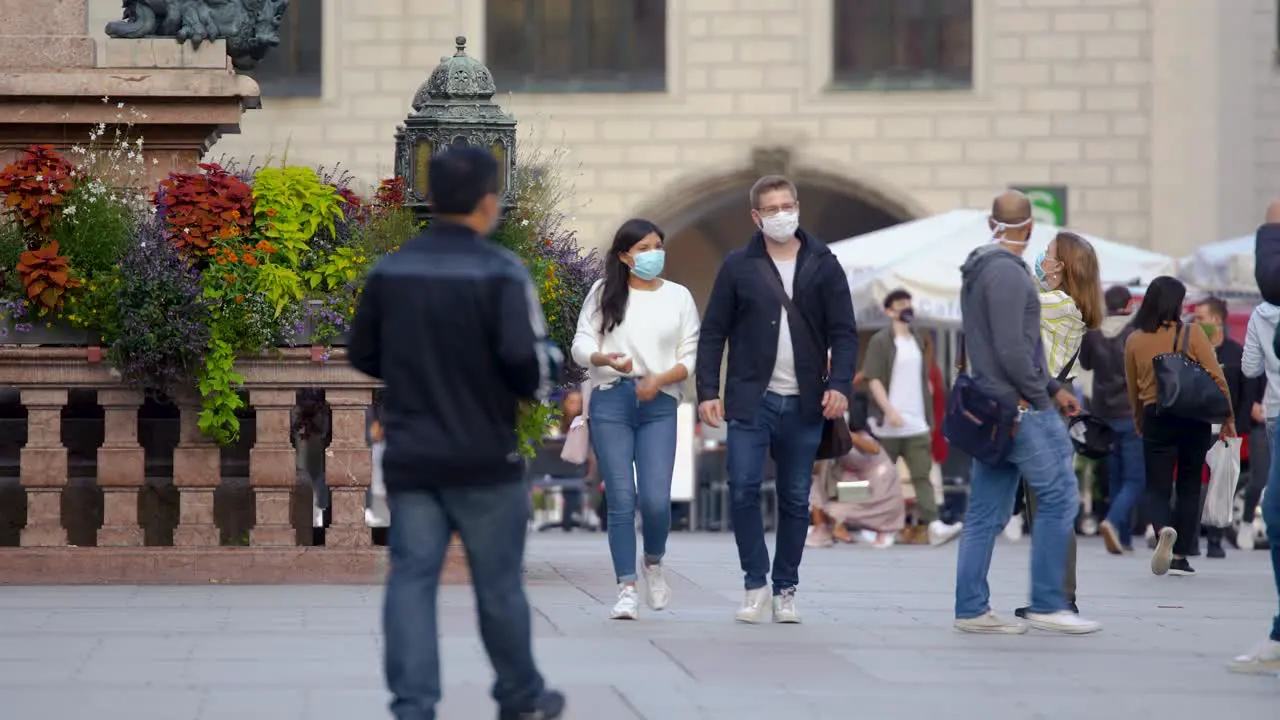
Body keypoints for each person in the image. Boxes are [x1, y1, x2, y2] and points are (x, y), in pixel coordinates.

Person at [347, 147, 566, 720]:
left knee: (411, 581)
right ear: (489, 202)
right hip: (485, 457)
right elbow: (528, 366)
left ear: (431, 199)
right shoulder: (502, 273)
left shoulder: (389, 272)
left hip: (413, 456)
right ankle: (520, 696)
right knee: (498, 586)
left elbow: (362, 352)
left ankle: (413, 705)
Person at [695, 174, 857, 624]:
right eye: (772, 209)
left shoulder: (824, 262)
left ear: (798, 207)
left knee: (793, 497)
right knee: (743, 487)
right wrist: (708, 390)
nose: (782, 214)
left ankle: (786, 587)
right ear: (756, 216)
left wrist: (840, 385)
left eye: (788, 206)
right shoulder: (737, 265)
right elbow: (713, 332)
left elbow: (844, 333)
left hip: (805, 401)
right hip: (751, 398)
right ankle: (754, 584)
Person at [952, 191, 1101, 635]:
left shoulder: (977, 271)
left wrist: (1053, 386)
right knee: (1059, 497)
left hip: (994, 401)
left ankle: (972, 609)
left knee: (984, 513)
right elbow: (1015, 350)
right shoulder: (1010, 276)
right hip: (1020, 406)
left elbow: (1003, 344)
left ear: (990, 223)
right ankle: (1049, 601)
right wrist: (1044, 395)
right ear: (1030, 228)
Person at [570, 218, 700, 621]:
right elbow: (581, 343)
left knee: (656, 500)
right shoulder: (603, 293)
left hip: (659, 401)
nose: (652, 254)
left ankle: (654, 562)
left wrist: (660, 378)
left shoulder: (679, 297)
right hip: (612, 400)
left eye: (657, 245)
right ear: (625, 256)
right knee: (622, 499)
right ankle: (626, 586)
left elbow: (690, 356)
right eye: (643, 248)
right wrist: (601, 357)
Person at [1012, 231, 1102, 619]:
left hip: (1043, 400)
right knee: (1045, 503)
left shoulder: (1059, 304)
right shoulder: (1063, 302)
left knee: (1049, 504)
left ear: (1061, 265)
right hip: (1049, 398)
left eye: (1047, 254)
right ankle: (1053, 593)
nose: (1040, 259)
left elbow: (1016, 303)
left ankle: (1059, 596)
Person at [1123, 276, 1233, 579]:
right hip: (1193, 418)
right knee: (1188, 485)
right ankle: (1181, 556)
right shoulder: (1193, 333)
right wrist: (1228, 418)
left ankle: (1162, 532)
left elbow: (1132, 387)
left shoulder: (1134, 339)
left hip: (1155, 415)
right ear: (1176, 302)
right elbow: (1216, 377)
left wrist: (1138, 419)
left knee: (1157, 485)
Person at [861, 288, 961, 546]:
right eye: (900, 303)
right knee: (882, 477)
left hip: (916, 422)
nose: (906, 307)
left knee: (922, 476)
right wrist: (889, 411)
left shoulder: (918, 338)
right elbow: (872, 379)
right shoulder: (881, 341)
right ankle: (875, 525)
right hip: (888, 425)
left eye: (907, 302)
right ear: (888, 310)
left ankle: (934, 524)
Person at [1229, 204, 1280, 674]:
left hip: (1274, 414)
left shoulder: (1262, 314)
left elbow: (1248, 370)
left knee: (1276, 508)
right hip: (1276, 416)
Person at [1084, 286, 1142, 554]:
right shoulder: (1135, 334)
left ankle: (1124, 539)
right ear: (1129, 304)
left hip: (1103, 415)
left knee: (1116, 477)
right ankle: (1113, 521)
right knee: (1136, 480)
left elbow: (1085, 364)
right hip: (1131, 414)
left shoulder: (1093, 335)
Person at [1194, 296, 1251, 559]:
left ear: (1216, 320)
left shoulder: (1235, 353)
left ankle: (1215, 540)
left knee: (1221, 486)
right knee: (1193, 485)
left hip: (1225, 429)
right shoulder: (1194, 350)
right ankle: (1190, 538)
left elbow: (1245, 393)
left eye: (1200, 318)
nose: (1196, 322)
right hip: (1197, 426)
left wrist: (1237, 424)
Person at [807, 431, 905, 549]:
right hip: (857, 483)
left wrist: (845, 434)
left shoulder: (858, 437)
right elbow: (817, 470)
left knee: (833, 508)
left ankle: (880, 529)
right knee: (818, 487)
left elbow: (874, 449)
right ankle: (822, 530)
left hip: (878, 487)